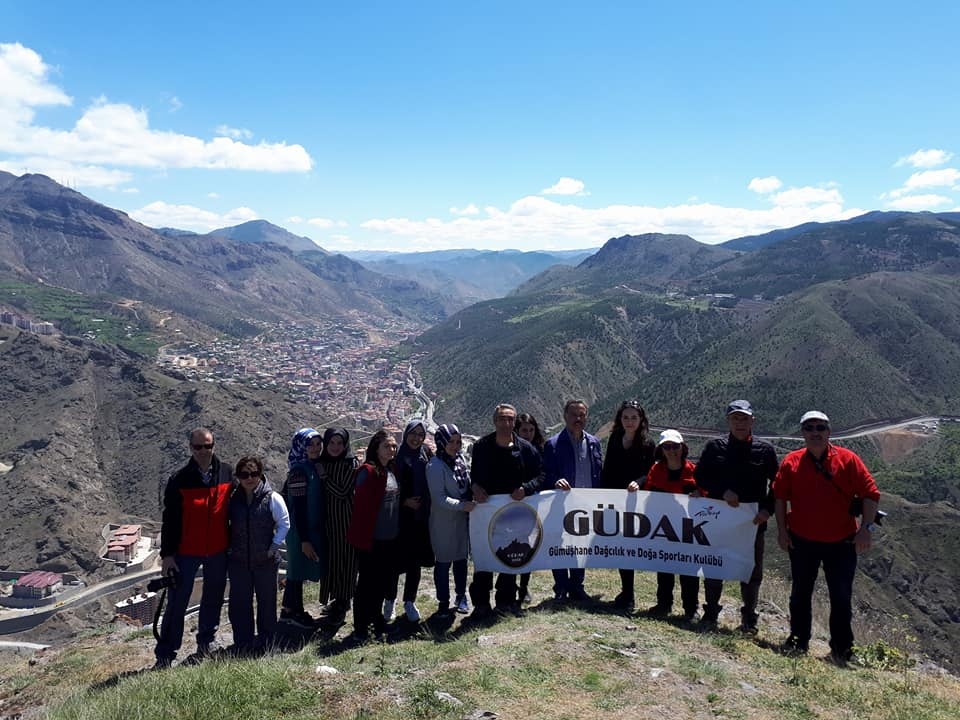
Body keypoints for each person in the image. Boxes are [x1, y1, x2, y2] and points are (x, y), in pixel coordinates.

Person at [774, 411, 881, 664]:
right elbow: (779, 497)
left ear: (829, 432)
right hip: (801, 540)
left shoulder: (848, 460)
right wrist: (781, 530)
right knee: (800, 594)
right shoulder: (791, 461)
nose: (815, 432)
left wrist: (866, 529)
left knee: (841, 597)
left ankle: (842, 649)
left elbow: (871, 494)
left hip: (841, 543)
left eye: (820, 427)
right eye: (809, 428)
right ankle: (798, 641)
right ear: (803, 433)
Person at [154, 427, 233, 669]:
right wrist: (167, 556)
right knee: (177, 603)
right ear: (190, 448)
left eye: (207, 446)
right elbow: (170, 520)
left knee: (213, 598)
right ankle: (165, 655)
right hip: (186, 552)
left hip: (218, 550)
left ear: (214, 446)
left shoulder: (227, 473)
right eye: (197, 447)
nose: (202, 451)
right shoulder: (179, 479)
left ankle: (206, 643)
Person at [694, 400, 778, 630]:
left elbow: (778, 486)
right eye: (735, 418)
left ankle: (749, 617)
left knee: (751, 571)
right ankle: (710, 613)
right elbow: (700, 477)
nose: (740, 423)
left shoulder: (766, 450)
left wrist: (766, 510)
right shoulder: (715, 447)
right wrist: (722, 491)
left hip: (752, 523)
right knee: (714, 566)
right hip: (719, 520)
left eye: (744, 418)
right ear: (728, 421)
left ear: (753, 420)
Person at [469, 403, 542, 618]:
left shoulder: (526, 449)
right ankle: (481, 603)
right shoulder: (482, 446)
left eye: (510, 419)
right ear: (494, 421)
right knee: (484, 558)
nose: (506, 423)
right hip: (486, 512)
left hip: (513, 513)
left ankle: (505, 601)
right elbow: (473, 476)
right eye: (502, 419)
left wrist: (526, 489)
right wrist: (475, 488)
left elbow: (541, 475)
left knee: (509, 556)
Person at [227, 456, 290, 655]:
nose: (249, 478)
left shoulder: (272, 498)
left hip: (266, 561)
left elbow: (284, 523)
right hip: (238, 561)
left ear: (261, 474)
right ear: (238, 477)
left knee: (267, 603)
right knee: (240, 604)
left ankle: (267, 642)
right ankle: (243, 643)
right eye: (244, 474)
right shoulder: (232, 499)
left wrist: (273, 546)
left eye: (254, 473)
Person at [543, 399, 603, 602]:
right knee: (560, 545)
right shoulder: (552, 444)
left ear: (586, 416)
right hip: (561, 505)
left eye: (582, 415)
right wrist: (555, 481)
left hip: (586, 505)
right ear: (565, 417)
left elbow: (598, 472)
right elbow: (546, 474)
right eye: (573, 414)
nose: (578, 419)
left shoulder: (594, 443)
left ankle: (577, 586)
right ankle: (560, 587)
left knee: (580, 545)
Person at [599, 400, 656, 610]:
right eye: (626, 417)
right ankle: (627, 591)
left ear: (641, 420)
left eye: (634, 417)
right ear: (620, 420)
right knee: (621, 546)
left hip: (636, 501)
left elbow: (650, 472)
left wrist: (639, 483)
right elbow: (609, 467)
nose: (629, 421)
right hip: (615, 499)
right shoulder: (615, 438)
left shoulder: (648, 444)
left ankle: (630, 594)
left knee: (630, 546)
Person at [346, 429, 401, 640]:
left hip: (390, 537)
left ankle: (377, 622)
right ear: (376, 448)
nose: (392, 449)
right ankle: (360, 627)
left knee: (381, 583)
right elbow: (360, 507)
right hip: (372, 539)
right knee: (366, 584)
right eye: (387, 446)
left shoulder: (391, 470)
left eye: (394, 446)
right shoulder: (367, 472)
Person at [644, 430, 702, 620]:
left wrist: (700, 496)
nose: (671, 451)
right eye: (667, 447)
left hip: (688, 529)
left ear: (682, 447)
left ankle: (691, 609)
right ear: (661, 450)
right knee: (665, 566)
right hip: (664, 526)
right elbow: (648, 494)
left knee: (689, 570)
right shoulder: (656, 470)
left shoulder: (693, 471)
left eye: (675, 446)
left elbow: (706, 496)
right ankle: (663, 604)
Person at [384, 420, 435, 623]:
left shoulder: (425, 453)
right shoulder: (396, 457)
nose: (416, 438)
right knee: (395, 563)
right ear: (406, 434)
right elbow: (388, 485)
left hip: (420, 517)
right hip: (399, 517)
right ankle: (389, 600)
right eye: (413, 433)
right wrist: (404, 500)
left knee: (415, 563)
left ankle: (410, 601)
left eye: (420, 434)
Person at [426, 423, 475, 616]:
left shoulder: (460, 460)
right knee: (444, 563)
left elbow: (466, 485)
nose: (455, 446)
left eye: (458, 442)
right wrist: (462, 505)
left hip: (462, 521)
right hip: (443, 523)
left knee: (461, 560)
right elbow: (439, 498)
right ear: (441, 442)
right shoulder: (435, 466)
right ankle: (443, 601)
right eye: (451, 442)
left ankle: (461, 595)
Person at [280, 428, 325, 629]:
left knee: (298, 571)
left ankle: (292, 610)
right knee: (296, 572)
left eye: (318, 444)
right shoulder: (299, 471)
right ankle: (291, 612)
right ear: (301, 447)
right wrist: (304, 539)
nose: (315, 448)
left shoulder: (314, 467)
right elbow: (298, 508)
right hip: (300, 530)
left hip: (309, 528)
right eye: (310, 445)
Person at [315, 427, 360, 625]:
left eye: (339, 443)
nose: (335, 447)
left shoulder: (350, 464)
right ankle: (335, 600)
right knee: (332, 562)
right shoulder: (322, 462)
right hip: (327, 522)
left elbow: (342, 492)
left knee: (346, 562)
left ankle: (343, 603)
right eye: (331, 443)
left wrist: (324, 477)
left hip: (345, 521)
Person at [514, 412, 546, 605]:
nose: (528, 434)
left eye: (531, 430)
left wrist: (527, 488)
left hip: (532, 504)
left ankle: (524, 586)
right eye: (524, 430)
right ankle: (509, 585)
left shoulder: (538, 451)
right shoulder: (510, 449)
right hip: (511, 504)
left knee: (528, 547)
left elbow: (542, 476)